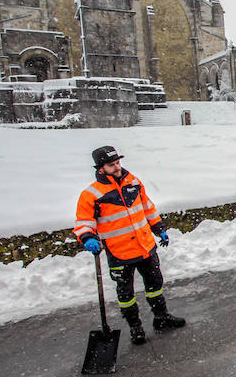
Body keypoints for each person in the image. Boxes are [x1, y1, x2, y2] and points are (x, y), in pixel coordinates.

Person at [73, 145, 185, 345]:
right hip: (119, 252)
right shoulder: (91, 194)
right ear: (100, 168)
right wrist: (88, 237)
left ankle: (161, 317)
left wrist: (159, 228)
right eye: (111, 164)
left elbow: (147, 207)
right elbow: (83, 222)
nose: (116, 167)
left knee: (155, 285)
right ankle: (136, 327)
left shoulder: (133, 182)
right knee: (126, 294)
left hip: (145, 247)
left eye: (117, 162)